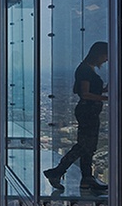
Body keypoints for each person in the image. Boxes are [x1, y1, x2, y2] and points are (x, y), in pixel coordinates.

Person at [44, 41, 109, 192]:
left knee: (88, 147)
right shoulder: (85, 70)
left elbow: (89, 91)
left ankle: (87, 180)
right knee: (84, 146)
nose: (106, 59)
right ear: (98, 54)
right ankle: (57, 172)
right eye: (105, 56)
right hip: (88, 112)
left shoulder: (87, 69)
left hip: (89, 112)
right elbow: (84, 93)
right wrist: (106, 98)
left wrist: (104, 91)